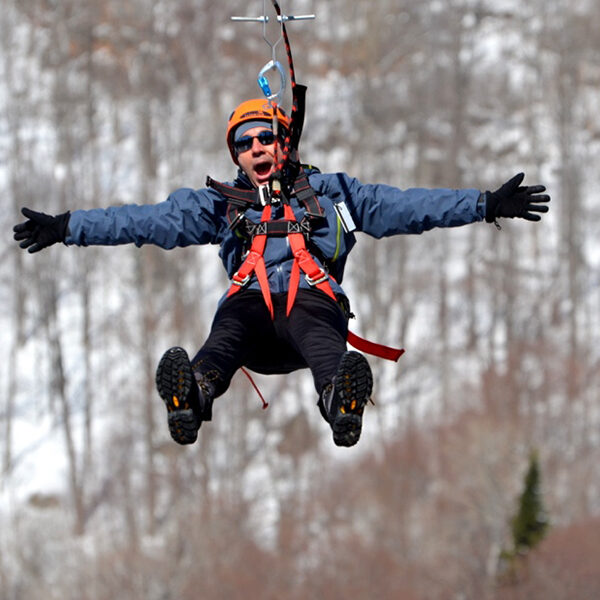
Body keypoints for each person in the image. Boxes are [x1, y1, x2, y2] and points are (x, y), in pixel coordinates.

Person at [13, 99, 551, 448]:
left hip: (310, 309)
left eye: (263, 140)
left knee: (323, 336)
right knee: (225, 335)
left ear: (283, 143)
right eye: (244, 145)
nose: (255, 150)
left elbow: (409, 207)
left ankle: (339, 400)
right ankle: (193, 396)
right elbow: (144, 221)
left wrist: (484, 204)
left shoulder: (335, 194)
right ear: (237, 157)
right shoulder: (219, 205)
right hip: (250, 313)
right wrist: (68, 226)